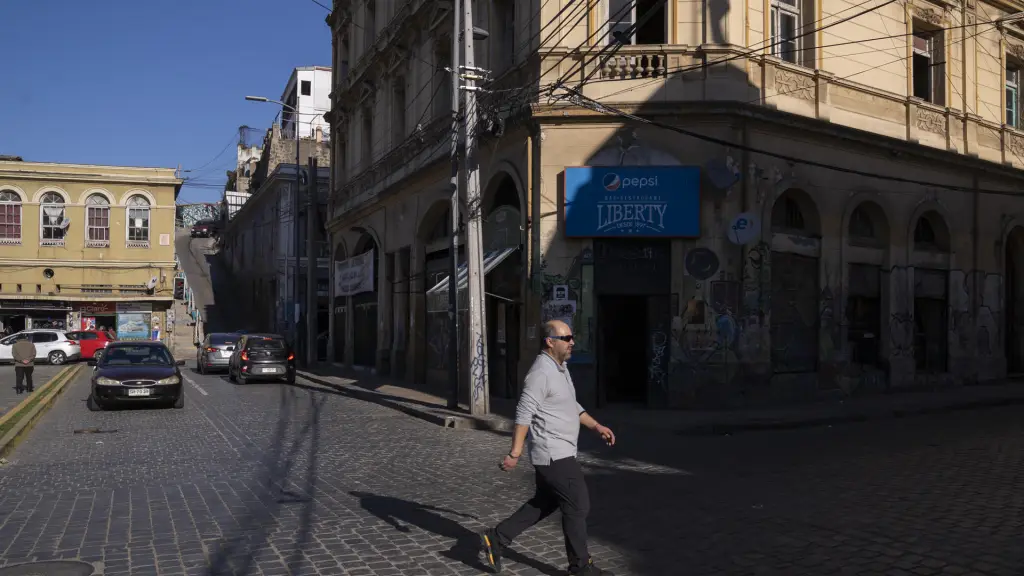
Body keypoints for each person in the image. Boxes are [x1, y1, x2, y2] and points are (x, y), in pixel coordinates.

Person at [480, 320, 617, 576]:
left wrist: (596, 426)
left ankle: (497, 538)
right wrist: (515, 453)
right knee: (577, 506)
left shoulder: (560, 369)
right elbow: (523, 413)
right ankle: (580, 567)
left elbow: (570, 405)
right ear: (550, 341)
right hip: (554, 455)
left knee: (544, 502)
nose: (572, 342)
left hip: (558, 452)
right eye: (566, 338)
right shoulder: (541, 373)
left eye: (572, 337)